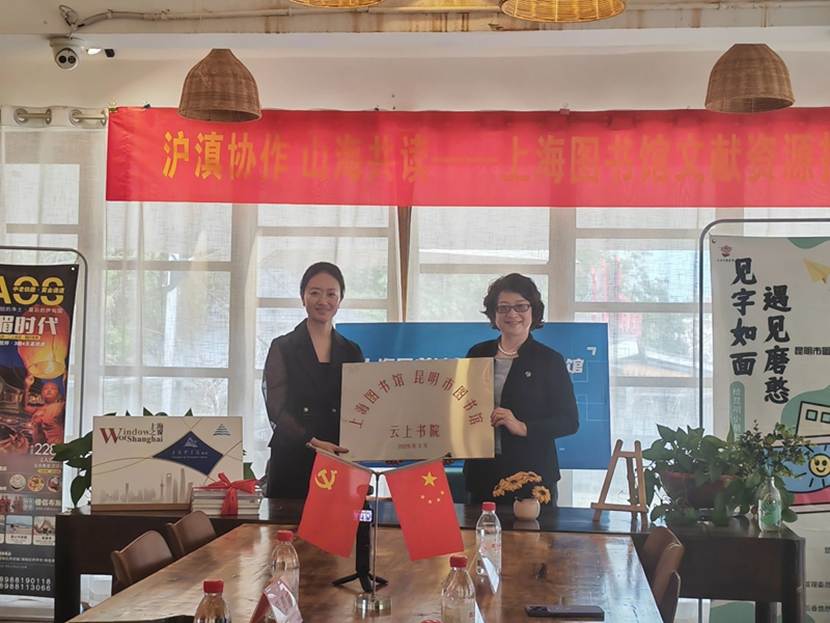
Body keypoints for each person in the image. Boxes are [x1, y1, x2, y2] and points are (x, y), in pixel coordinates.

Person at [463, 273, 579, 505]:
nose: (512, 314)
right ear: (494, 313)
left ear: (533, 311)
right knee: (481, 529)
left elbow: (569, 421)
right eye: (503, 307)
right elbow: (462, 407)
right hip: (482, 474)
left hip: (532, 476)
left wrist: (523, 427)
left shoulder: (549, 360)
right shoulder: (477, 353)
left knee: (532, 531)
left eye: (521, 306)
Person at [262, 262, 364, 499]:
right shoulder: (283, 346)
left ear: (340, 300)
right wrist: (311, 441)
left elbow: (362, 405)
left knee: (339, 522)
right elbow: (275, 407)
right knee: (288, 523)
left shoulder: (352, 350)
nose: (323, 301)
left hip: (339, 456)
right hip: (293, 455)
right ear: (303, 297)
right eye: (315, 292)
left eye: (331, 294)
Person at [23, 375, 65, 445]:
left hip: (55, 445)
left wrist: (66, 381)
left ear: (58, 394)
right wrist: (27, 387)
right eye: (45, 388)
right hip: (39, 447)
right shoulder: (38, 410)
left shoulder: (60, 406)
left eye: (53, 389)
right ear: (42, 394)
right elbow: (24, 407)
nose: (49, 390)